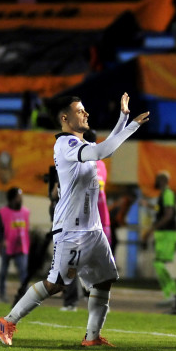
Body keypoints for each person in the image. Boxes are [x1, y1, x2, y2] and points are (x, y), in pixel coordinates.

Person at [0, 93, 149, 347]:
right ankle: (7, 321)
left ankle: (92, 337)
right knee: (55, 283)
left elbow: (102, 150)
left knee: (104, 280)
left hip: (93, 229)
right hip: (72, 230)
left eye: (85, 110)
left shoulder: (81, 145)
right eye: (80, 111)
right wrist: (132, 126)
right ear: (65, 118)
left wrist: (123, 117)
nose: (85, 113)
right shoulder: (65, 144)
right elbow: (102, 150)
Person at [62, 129, 112, 311]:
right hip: (99, 221)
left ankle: (75, 301)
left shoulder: (85, 162)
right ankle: (90, 300)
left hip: (89, 221)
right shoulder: (99, 164)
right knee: (95, 263)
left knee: (75, 262)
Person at [142, 171, 176, 307]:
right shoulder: (163, 195)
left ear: (162, 180)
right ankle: (170, 295)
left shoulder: (168, 193)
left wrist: (151, 229)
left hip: (167, 233)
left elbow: (168, 214)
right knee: (159, 264)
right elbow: (161, 209)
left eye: (157, 179)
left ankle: (173, 293)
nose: (155, 182)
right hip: (162, 233)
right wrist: (149, 206)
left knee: (159, 264)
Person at [0, 188, 29, 303]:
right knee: (4, 272)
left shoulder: (25, 212)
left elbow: (26, 229)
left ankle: (26, 297)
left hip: (21, 247)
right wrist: (1, 240)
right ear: (13, 198)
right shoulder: (2, 212)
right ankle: (1, 294)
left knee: (24, 272)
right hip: (7, 246)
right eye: (19, 196)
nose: (21, 198)